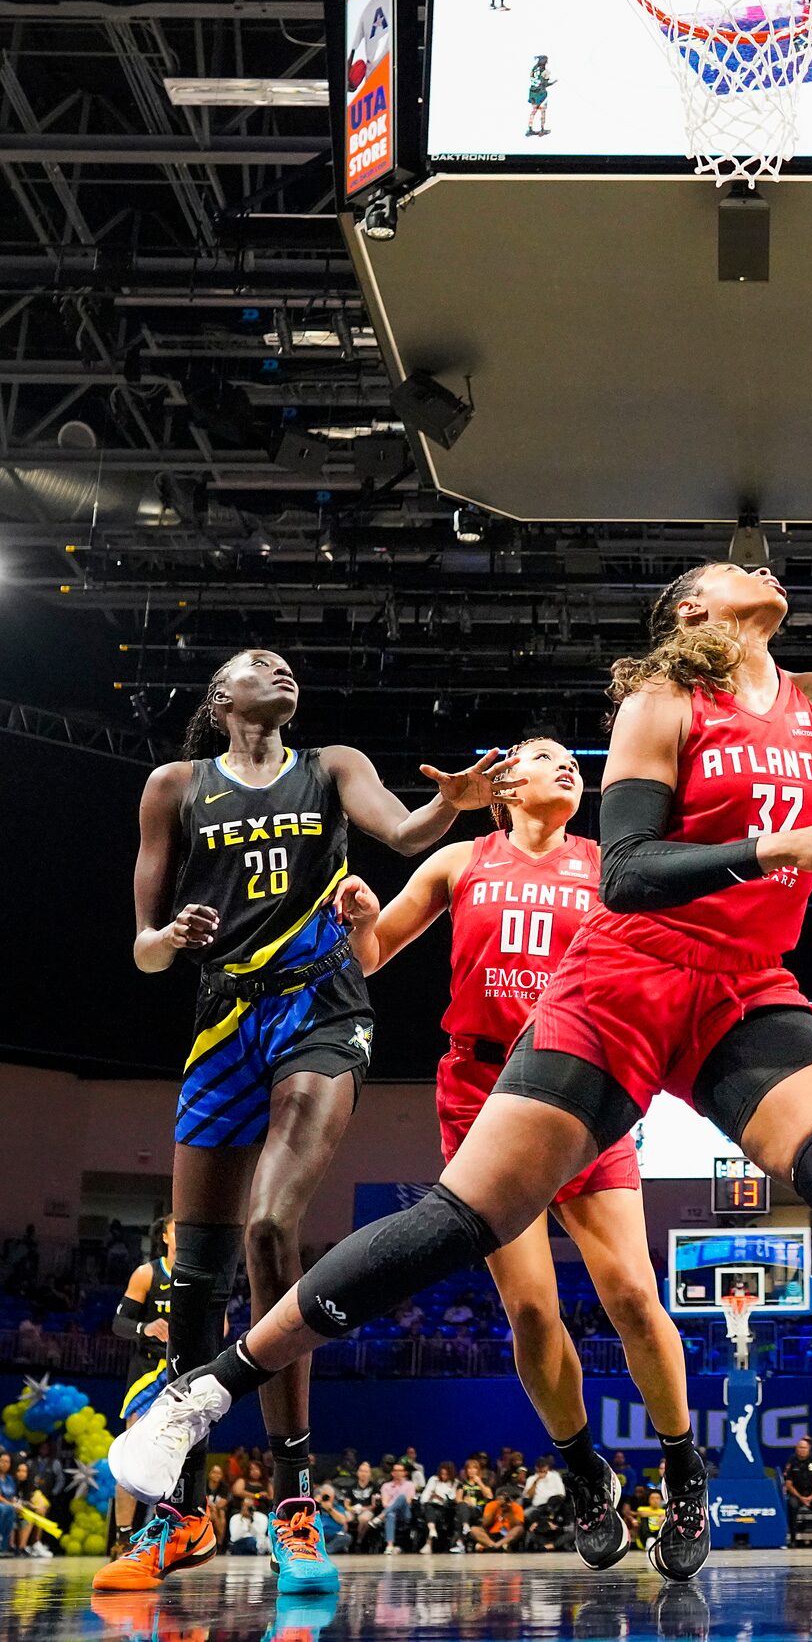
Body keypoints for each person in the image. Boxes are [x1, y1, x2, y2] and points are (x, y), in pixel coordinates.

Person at [112, 569, 812, 1602]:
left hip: (740, 994)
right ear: (691, 609)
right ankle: (203, 1394)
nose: (763, 567)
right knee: (465, 1220)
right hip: (623, 987)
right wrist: (777, 845)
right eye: (735, 570)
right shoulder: (660, 707)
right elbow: (629, 873)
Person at [94, 648, 512, 1595]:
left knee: (272, 1226)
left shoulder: (332, 765)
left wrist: (454, 802)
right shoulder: (173, 786)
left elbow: (406, 835)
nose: (275, 671)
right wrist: (167, 939)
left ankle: (293, 1507)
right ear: (220, 698)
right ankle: (183, 1517)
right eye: (255, 665)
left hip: (321, 1007)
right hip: (222, 1020)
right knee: (191, 1283)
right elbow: (143, 950)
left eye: (284, 666)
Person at [334, 734, 694, 1574]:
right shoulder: (461, 861)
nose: (567, 763)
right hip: (480, 1093)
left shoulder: (611, 865)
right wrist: (355, 921)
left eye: (573, 758)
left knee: (633, 1295)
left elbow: (670, 961)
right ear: (503, 786)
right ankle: (581, 1471)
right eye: (543, 755)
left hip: (582, 1083)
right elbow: (373, 956)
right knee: (530, 1311)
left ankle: (682, 1474)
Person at [110, 1216, 176, 1551]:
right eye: (178, 1228)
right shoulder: (147, 1273)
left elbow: (221, 1327)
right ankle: (122, 1536)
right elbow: (119, 1323)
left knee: (176, 1456)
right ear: (165, 1235)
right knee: (132, 1455)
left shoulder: (198, 1276)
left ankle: (164, 1531)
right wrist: (146, 1328)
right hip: (147, 1371)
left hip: (183, 1374)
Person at [784, 1436, 812, 1545]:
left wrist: (811, 1496)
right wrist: (800, 1498)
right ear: (796, 1449)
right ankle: (793, 1539)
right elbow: (788, 1483)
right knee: (792, 1505)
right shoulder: (792, 1461)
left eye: (805, 1448)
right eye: (800, 1447)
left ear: (809, 1448)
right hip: (796, 1495)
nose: (802, 1450)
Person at [381, 1461, 417, 1553]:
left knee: (402, 1497)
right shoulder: (386, 1486)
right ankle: (389, 1546)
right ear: (392, 1473)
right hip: (391, 1512)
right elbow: (384, 1503)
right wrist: (391, 1508)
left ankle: (380, 1516)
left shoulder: (410, 1485)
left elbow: (408, 1501)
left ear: (405, 1473)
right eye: (396, 1470)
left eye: (400, 1470)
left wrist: (392, 1502)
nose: (398, 1473)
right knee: (390, 1515)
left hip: (404, 1513)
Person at [526, 55, 555, 136]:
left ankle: (530, 129)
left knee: (533, 111)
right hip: (541, 94)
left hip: (533, 93)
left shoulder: (533, 69)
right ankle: (542, 129)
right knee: (542, 111)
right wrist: (553, 83)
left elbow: (533, 80)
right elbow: (545, 84)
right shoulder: (546, 72)